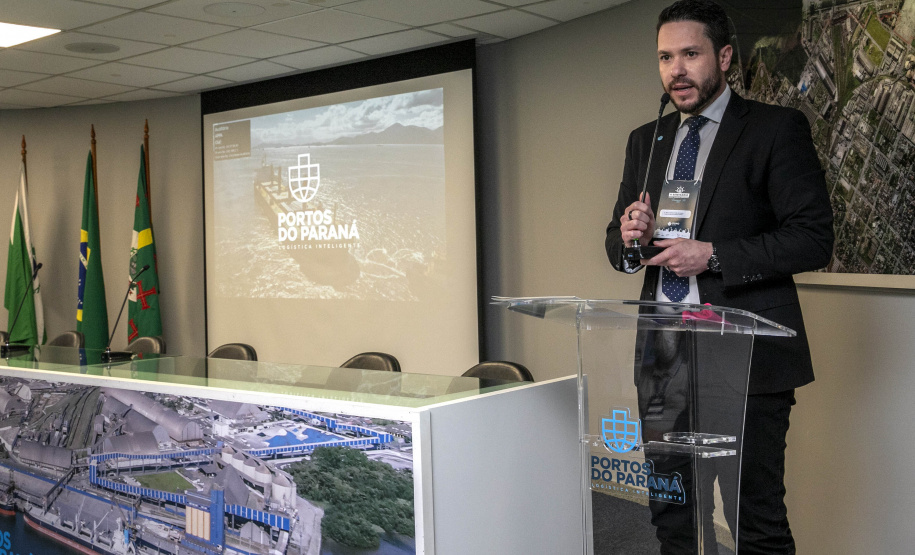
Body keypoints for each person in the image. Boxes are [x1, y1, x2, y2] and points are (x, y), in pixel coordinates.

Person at [604, 0, 834, 553]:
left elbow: (813, 237)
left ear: (724, 57)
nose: (676, 70)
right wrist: (630, 236)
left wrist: (712, 255)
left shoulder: (775, 129)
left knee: (752, 519)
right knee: (672, 516)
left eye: (690, 54)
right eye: (665, 57)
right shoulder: (646, 140)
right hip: (663, 359)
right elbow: (618, 247)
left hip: (744, 357)